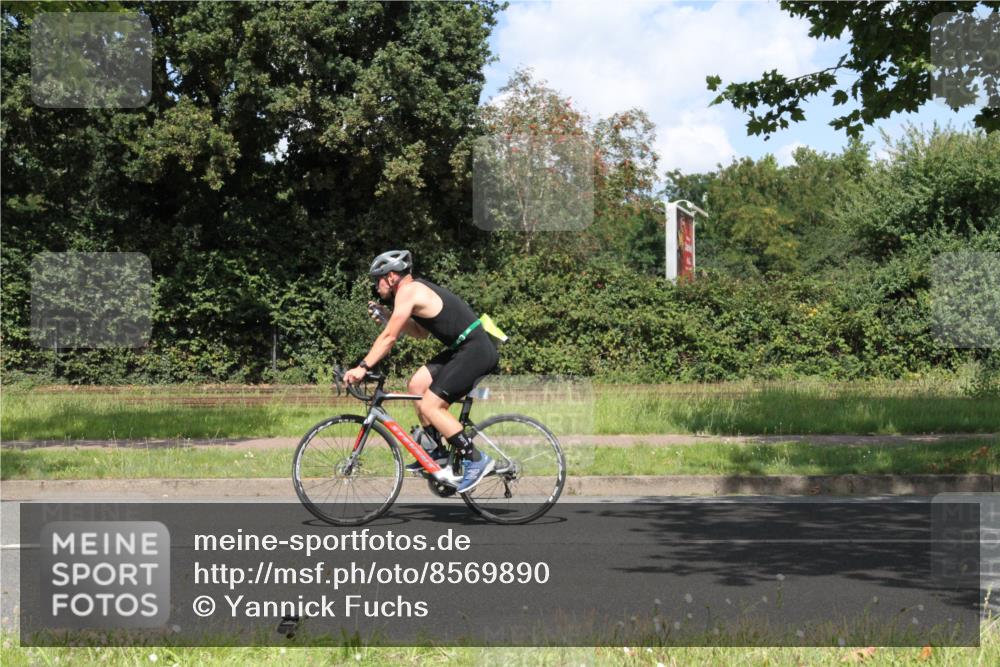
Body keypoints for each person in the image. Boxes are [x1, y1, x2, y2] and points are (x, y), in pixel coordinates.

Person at [343, 250, 500, 493]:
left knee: (430, 406)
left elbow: (389, 338)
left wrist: (363, 367)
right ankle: (437, 452)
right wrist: (389, 318)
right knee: (416, 385)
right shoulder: (411, 292)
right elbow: (420, 333)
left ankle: (476, 459)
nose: (376, 287)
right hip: (464, 348)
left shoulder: (408, 291)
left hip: (475, 349)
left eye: (378, 279)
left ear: (392, 276)